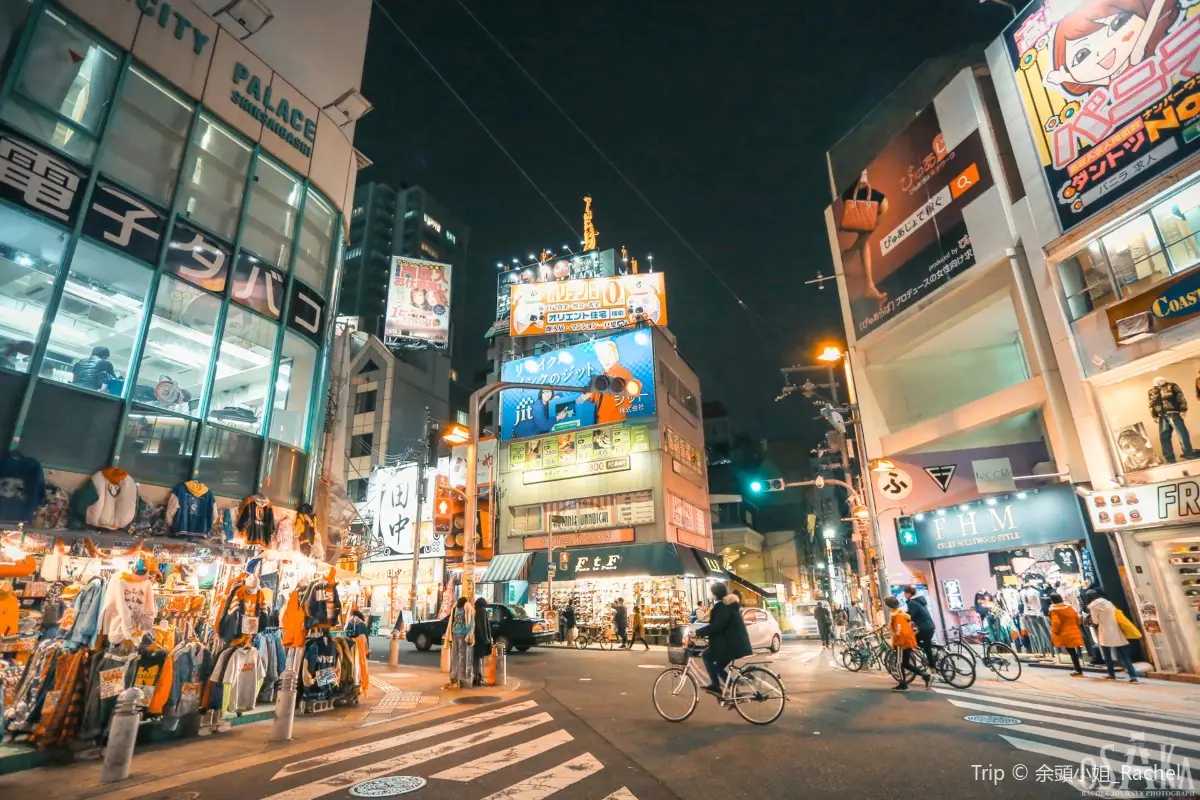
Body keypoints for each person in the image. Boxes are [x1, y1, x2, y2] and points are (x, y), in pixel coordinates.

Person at [694, 581, 753, 695]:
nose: (710, 595)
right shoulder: (729, 604)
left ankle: (716, 686)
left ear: (715, 594)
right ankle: (733, 690)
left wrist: (698, 632)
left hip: (731, 645)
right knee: (717, 666)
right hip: (735, 644)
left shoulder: (722, 606)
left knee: (707, 656)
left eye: (711, 593)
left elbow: (717, 626)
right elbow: (721, 625)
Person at [1085, 591, 1139, 683]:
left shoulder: (1093, 606)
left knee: (1107, 655)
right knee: (1124, 655)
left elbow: (1095, 621)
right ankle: (1133, 676)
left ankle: (1111, 674)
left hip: (1105, 632)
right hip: (1116, 630)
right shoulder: (1108, 602)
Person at [885, 595, 931, 691]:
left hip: (902, 642)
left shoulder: (896, 615)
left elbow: (899, 629)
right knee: (905, 663)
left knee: (898, 663)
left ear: (889, 606)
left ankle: (903, 684)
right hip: (908, 640)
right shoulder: (902, 612)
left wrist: (896, 639)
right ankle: (925, 675)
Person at [1048, 593, 1085, 676]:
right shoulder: (1069, 607)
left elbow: (1056, 622)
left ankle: (1077, 669)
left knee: (1072, 652)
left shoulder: (1054, 610)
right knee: (1076, 651)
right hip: (1075, 631)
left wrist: (1054, 632)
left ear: (1052, 601)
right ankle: (1079, 668)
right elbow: (1077, 618)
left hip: (1065, 634)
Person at [902, 585, 938, 671]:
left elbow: (911, 616)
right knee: (924, 644)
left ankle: (932, 667)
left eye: (905, 593)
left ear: (909, 593)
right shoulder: (919, 601)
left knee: (913, 641)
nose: (904, 594)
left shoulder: (912, 603)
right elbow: (913, 614)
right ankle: (931, 656)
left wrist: (902, 620)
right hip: (930, 626)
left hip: (924, 628)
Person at [444, 596, 474, 690]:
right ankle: (462, 680)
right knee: (463, 657)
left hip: (454, 633)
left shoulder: (455, 607)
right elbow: (471, 623)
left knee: (455, 657)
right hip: (463, 635)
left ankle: (454, 678)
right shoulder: (468, 606)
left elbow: (452, 620)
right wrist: (469, 634)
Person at [471, 597, 492, 687]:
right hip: (481, 639)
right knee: (480, 659)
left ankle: (476, 678)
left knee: (475, 659)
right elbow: (484, 626)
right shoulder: (482, 611)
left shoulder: (475, 611)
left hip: (475, 639)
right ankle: (479, 678)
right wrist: (487, 639)